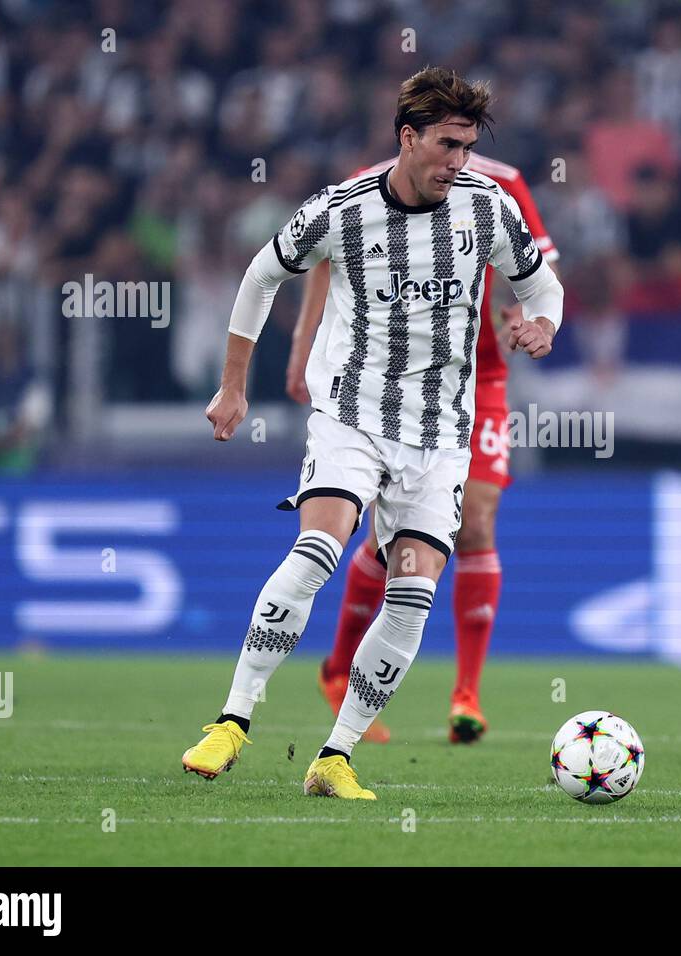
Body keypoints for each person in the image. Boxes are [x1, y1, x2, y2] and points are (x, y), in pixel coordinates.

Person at [180, 65, 563, 799]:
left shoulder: (488, 208)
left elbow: (540, 281)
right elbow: (262, 275)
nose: (460, 161)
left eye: (468, 146)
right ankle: (233, 718)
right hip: (352, 416)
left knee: (414, 591)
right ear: (409, 136)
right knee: (320, 546)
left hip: (443, 432)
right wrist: (235, 383)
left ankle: (335, 757)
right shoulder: (343, 209)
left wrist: (543, 318)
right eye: (449, 145)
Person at [288, 151, 559, 744]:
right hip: (388, 384)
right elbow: (324, 260)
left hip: (476, 379)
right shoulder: (368, 186)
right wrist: (304, 340)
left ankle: (467, 693)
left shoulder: (506, 182)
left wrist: (526, 314)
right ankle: (338, 669)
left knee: (478, 522)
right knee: (389, 539)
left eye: (462, 135)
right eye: (444, 133)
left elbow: (538, 271)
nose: (453, 149)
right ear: (414, 132)